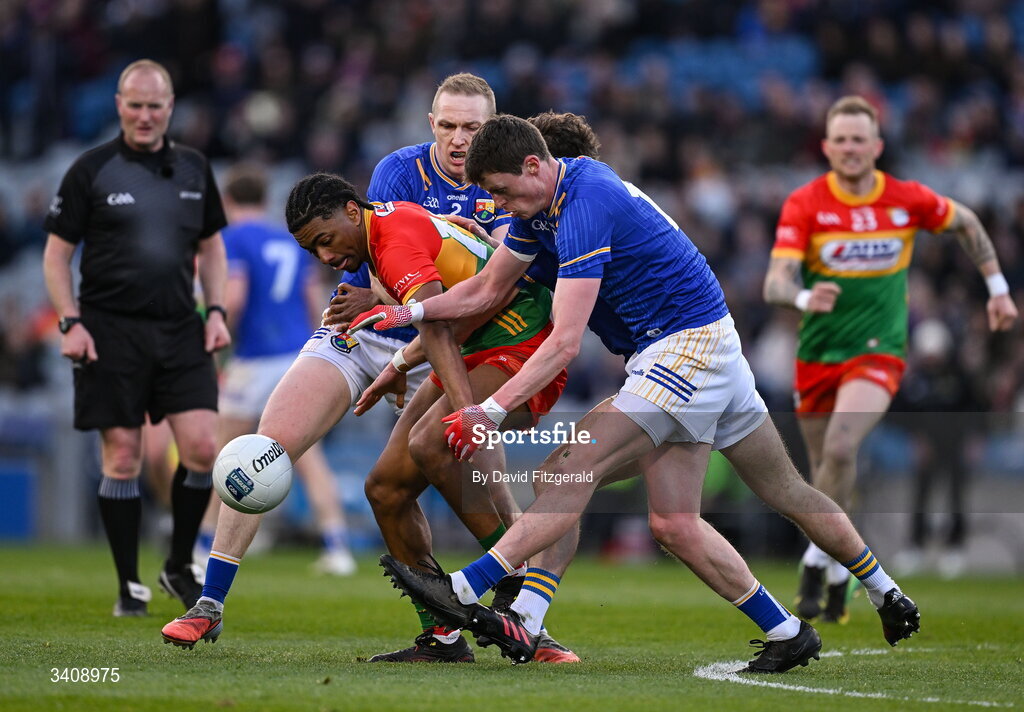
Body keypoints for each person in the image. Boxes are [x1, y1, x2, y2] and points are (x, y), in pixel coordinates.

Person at [352, 114, 921, 672]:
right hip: (701, 346)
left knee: (566, 470)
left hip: (684, 349)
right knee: (688, 518)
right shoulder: (544, 206)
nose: (500, 207)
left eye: (502, 192)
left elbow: (564, 343)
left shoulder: (583, 204)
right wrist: (412, 313)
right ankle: (825, 616)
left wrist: (488, 409)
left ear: (535, 164)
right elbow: (487, 289)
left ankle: (468, 588)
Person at [162, 75, 576, 664]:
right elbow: (377, 252)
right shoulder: (400, 170)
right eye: (449, 125)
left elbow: (497, 282)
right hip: (370, 327)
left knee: (478, 474)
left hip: (462, 338)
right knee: (264, 450)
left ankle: (524, 618)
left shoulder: (505, 182)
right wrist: (389, 307)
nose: (459, 139)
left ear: (492, 127)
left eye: (473, 128)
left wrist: (410, 312)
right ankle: (209, 603)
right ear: (430, 123)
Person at [762, 96, 1018, 622]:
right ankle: (838, 573)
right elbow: (776, 283)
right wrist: (808, 299)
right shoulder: (806, 203)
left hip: (879, 354)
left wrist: (997, 288)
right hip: (816, 355)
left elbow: (967, 223)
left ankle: (816, 559)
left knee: (841, 443)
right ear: (828, 147)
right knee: (827, 477)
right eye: (842, 140)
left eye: (861, 139)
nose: (851, 148)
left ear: (876, 146)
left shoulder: (904, 199)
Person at [42, 59, 229, 617]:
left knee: (201, 448)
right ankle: (129, 585)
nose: (145, 115)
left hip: (180, 328)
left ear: (170, 108)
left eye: (155, 106)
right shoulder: (90, 169)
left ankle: (177, 563)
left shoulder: (194, 168)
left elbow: (212, 248)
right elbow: (56, 256)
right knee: (121, 455)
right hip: (109, 331)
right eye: (135, 104)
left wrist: (215, 310)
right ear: (119, 104)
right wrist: (70, 322)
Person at [197, 162, 357, 576]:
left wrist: (214, 345)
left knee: (228, 454)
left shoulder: (231, 238)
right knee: (305, 457)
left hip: (253, 359)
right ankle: (336, 543)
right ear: (265, 201)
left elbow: (234, 297)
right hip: (295, 355)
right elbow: (312, 300)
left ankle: (202, 546)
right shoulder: (287, 242)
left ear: (228, 201)